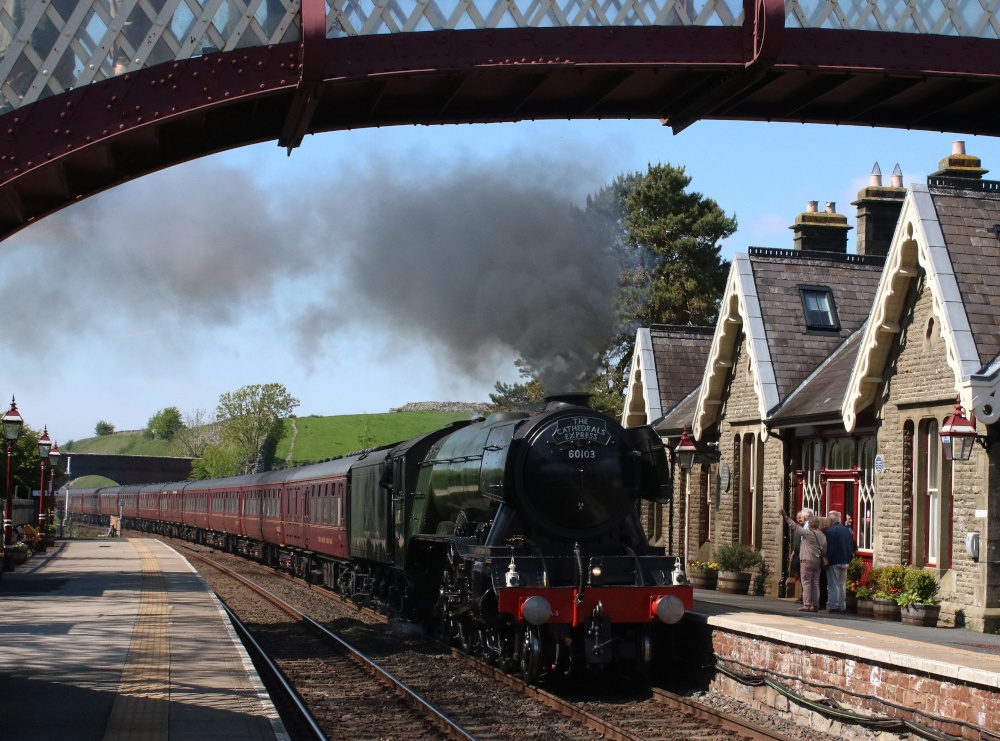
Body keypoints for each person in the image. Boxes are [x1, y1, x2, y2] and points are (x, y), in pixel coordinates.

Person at [780, 508, 826, 612]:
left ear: (810, 525)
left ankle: (807, 604)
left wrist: (786, 517)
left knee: (806, 582)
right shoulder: (823, 536)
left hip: (806, 560)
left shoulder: (807, 533)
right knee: (815, 583)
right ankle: (816, 605)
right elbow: (824, 550)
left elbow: (794, 526)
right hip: (817, 561)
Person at [824, 510, 855, 613]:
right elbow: (851, 546)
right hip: (845, 560)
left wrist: (827, 558)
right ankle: (842, 606)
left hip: (834, 561)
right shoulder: (846, 530)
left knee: (833, 584)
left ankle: (834, 605)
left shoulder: (831, 531)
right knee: (842, 584)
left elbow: (830, 547)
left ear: (831, 520)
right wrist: (849, 558)